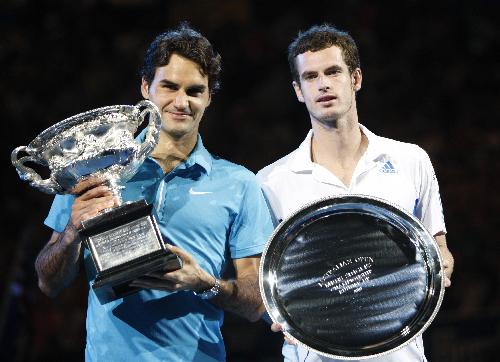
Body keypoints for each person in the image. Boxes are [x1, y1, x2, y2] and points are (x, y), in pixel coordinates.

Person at [35, 24, 273, 361]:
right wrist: (72, 234)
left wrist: (206, 284)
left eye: (194, 90)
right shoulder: (92, 172)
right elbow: (48, 283)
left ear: (208, 97)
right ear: (146, 88)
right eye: (169, 87)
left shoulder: (239, 183)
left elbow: (256, 302)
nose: (181, 102)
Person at [257, 24, 454, 362]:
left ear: (356, 79)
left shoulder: (411, 160)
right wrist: (274, 314)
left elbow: (439, 250)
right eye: (310, 77)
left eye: (333, 71)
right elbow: (267, 281)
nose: (323, 84)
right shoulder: (270, 181)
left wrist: (440, 268)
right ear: (298, 90)